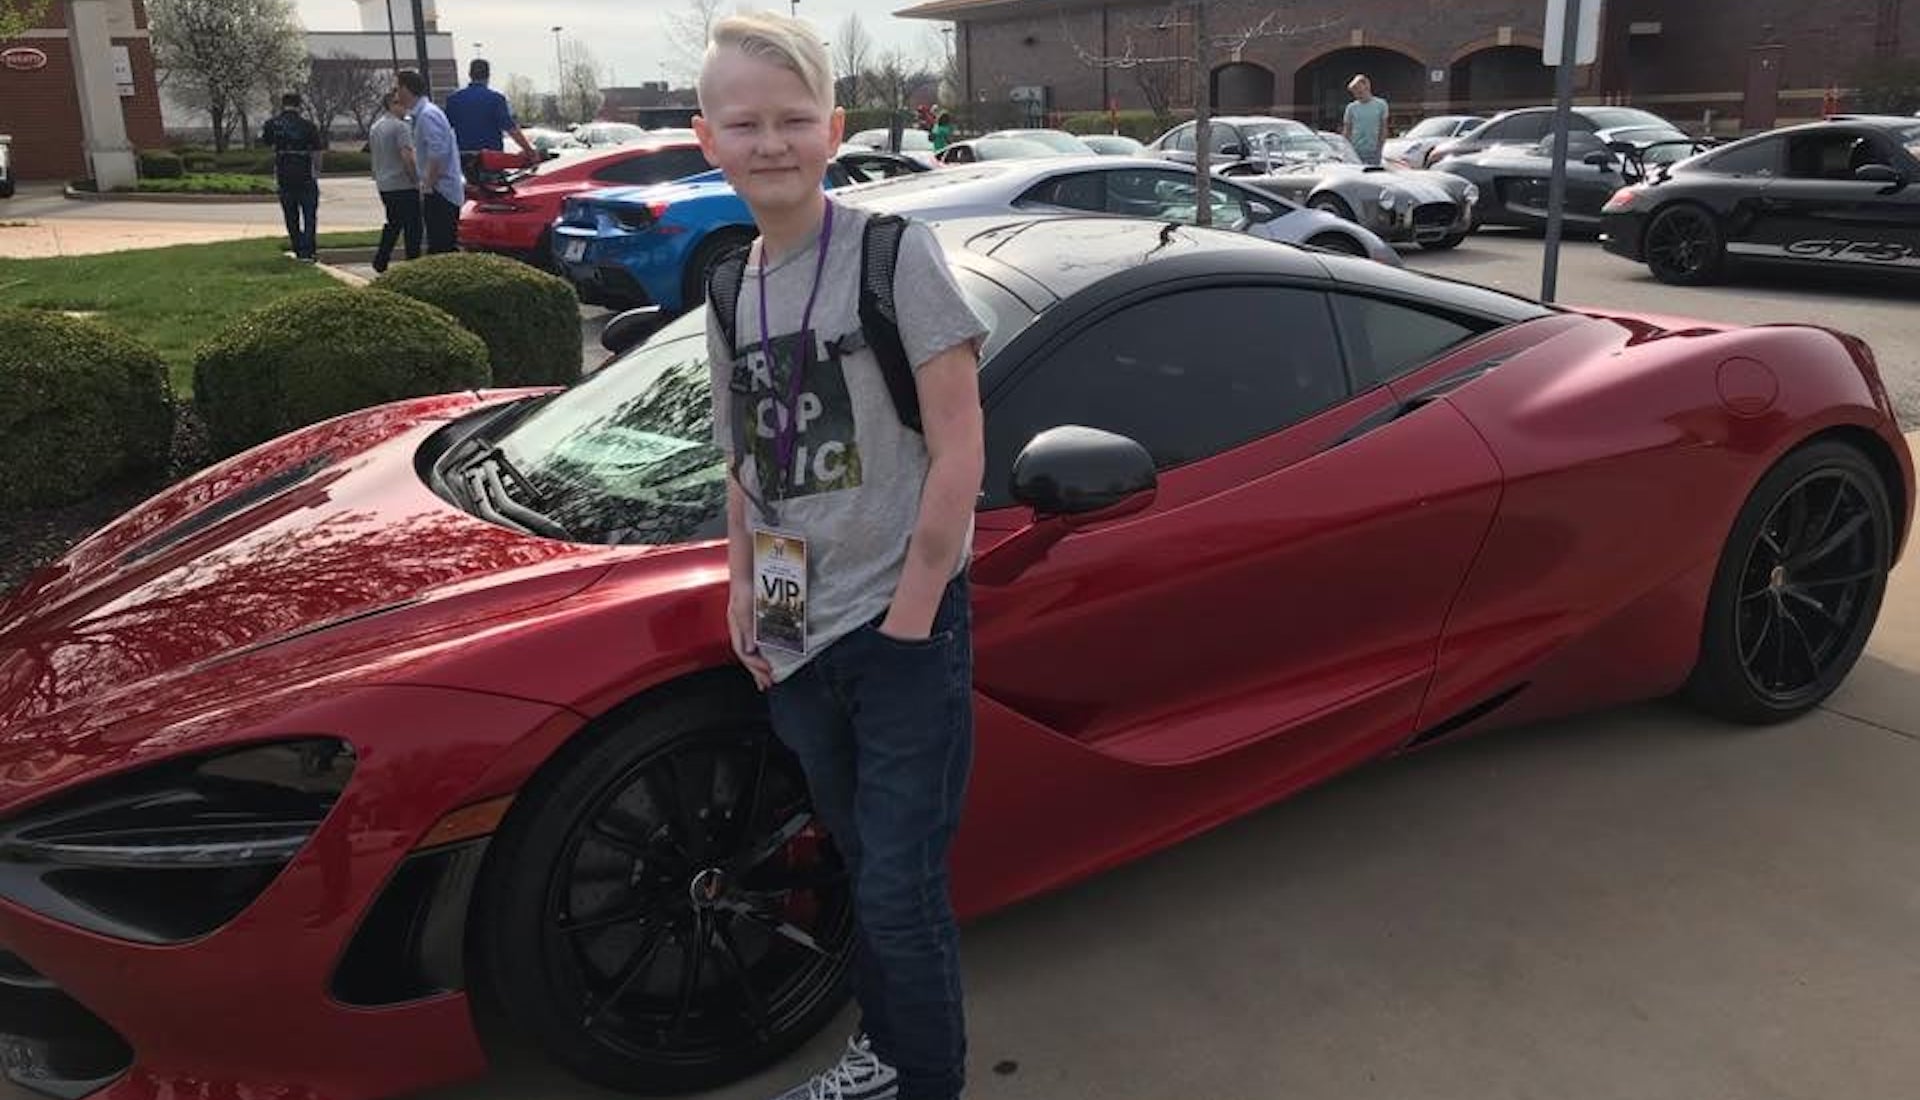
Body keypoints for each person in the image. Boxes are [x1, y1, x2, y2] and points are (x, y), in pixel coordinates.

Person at [693, 11, 987, 1100]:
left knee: (902, 886)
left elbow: (960, 449)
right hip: (795, 635)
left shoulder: (893, 257)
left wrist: (911, 615)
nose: (771, 142)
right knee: (864, 868)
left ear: (834, 127)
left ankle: (924, 1079)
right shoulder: (730, 286)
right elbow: (749, 462)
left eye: (793, 119)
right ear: (707, 139)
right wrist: (747, 594)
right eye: (745, 124)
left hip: (901, 632)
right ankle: (887, 1055)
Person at [393, 70, 464, 254]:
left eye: (397, 88)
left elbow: (437, 153)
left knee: (441, 247)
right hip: (437, 190)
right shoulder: (420, 115)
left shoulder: (428, 115)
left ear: (406, 89)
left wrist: (428, 186)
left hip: (441, 192)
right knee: (438, 245)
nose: (396, 94)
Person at [445, 58, 536, 178]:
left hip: (464, 164)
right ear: (488, 75)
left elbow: (444, 131)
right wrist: (529, 151)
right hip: (490, 162)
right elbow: (511, 129)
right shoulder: (496, 99)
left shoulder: (453, 100)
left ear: (470, 75)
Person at [261, 92, 323, 261]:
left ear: (283, 104)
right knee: (309, 214)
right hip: (305, 173)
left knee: (290, 214)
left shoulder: (272, 124)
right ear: (299, 105)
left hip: (284, 173)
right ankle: (308, 250)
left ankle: (297, 246)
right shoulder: (308, 126)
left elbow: (267, 143)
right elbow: (317, 152)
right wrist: (317, 171)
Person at [368, 92, 421, 273]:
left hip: (384, 184)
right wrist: (415, 179)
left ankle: (381, 259)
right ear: (391, 105)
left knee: (394, 223)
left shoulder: (376, 127)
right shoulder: (400, 127)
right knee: (413, 226)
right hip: (403, 184)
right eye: (399, 103)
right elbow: (407, 156)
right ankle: (413, 263)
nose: (404, 107)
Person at [1342, 73, 1390, 166]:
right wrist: (1346, 149)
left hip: (1373, 150)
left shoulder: (1381, 105)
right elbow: (1347, 130)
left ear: (1367, 88)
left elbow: (1383, 127)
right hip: (1355, 150)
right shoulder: (1351, 107)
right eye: (1354, 92)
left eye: (1359, 91)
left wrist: (1380, 147)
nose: (1357, 94)